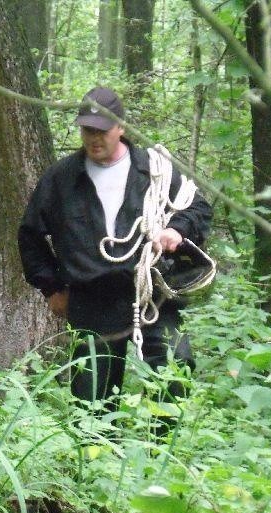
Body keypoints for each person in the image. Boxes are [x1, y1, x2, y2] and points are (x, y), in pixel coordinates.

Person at [18, 86, 213, 406]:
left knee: (175, 374)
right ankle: (99, 454)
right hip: (92, 301)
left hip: (153, 295)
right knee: (91, 400)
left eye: (102, 130)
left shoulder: (154, 169)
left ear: (120, 127)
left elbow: (198, 209)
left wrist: (176, 230)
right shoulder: (61, 178)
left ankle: (162, 452)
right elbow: (29, 235)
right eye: (87, 130)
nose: (95, 138)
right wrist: (52, 286)